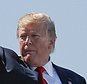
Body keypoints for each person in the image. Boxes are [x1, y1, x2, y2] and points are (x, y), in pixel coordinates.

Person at [0, 12, 86, 84]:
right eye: (23, 36)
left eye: (34, 36)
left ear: (51, 42)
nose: (27, 41)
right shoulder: (6, 67)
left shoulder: (75, 80)